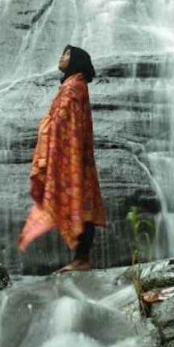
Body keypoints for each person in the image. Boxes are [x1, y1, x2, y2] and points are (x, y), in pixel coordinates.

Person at [18, 45, 107, 273]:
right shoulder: (75, 85)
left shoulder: (73, 87)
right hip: (74, 154)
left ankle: (82, 260)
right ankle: (80, 259)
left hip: (72, 155)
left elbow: (62, 122)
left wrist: (47, 131)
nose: (61, 56)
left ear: (76, 60)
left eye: (67, 54)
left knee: (80, 202)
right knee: (80, 202)